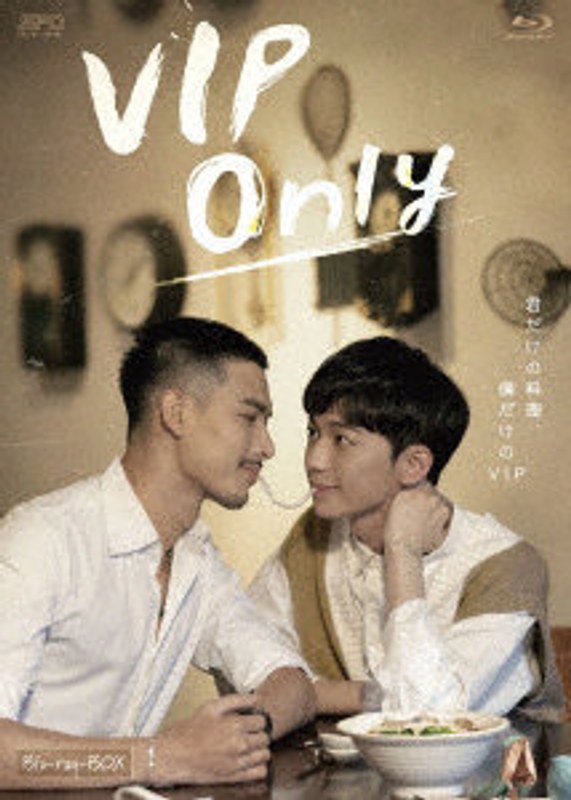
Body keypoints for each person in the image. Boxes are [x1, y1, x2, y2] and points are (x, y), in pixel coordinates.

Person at [0, 317, 315, 790]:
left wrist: (239, 738)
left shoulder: (196, 558)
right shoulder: (43, 538)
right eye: (249, 418)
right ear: (176, 413)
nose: (266, 447)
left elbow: (292, 682)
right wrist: (159, 757)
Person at [249, 336, 564, 722]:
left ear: (414, 464)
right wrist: (363, 696)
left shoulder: (505, 566)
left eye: (342, 439)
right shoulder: (315, 536)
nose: (315, 459)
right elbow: (248, 666)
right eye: (313, 432)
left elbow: (429, 720)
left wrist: (402, 553)